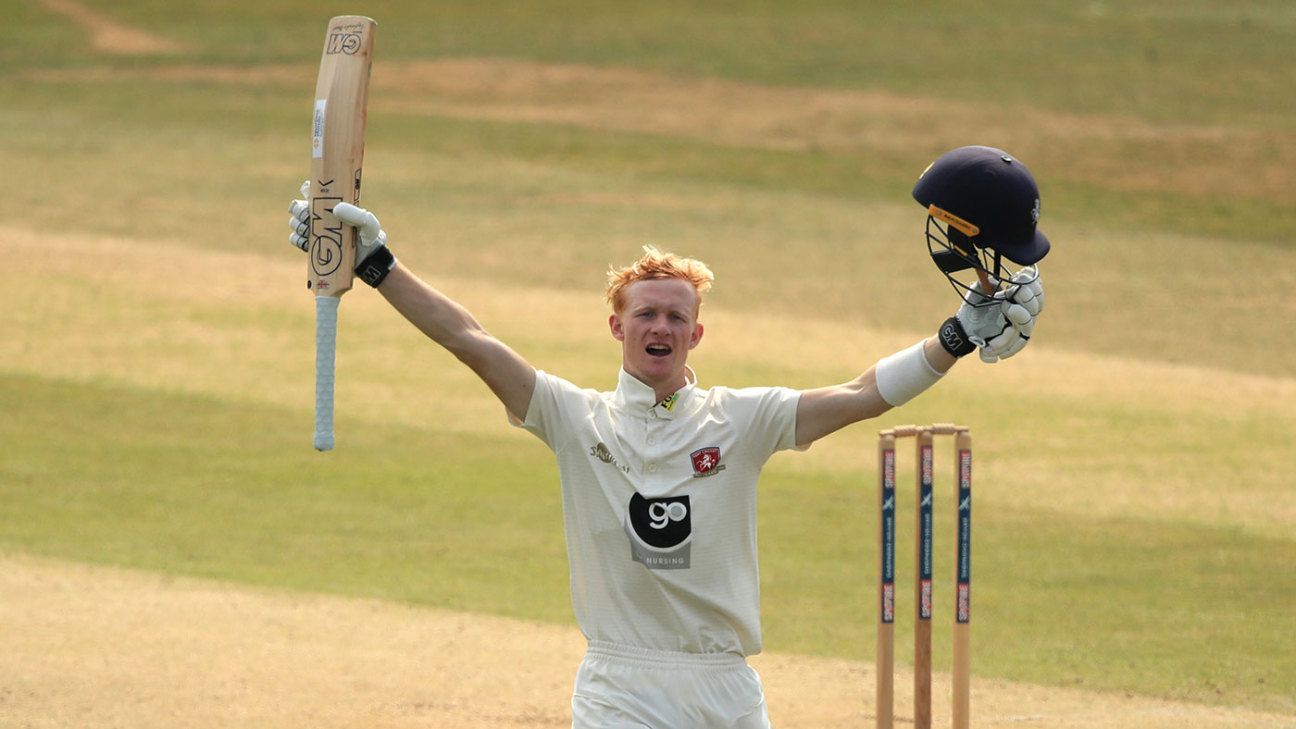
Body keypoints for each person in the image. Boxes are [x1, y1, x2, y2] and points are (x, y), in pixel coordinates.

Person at [286, 144, 1047, 728]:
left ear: (696, 333)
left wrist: (953, 337)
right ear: (617, 326)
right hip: (621, 684)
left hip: (723, 683)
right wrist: (378, 263)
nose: (660, 326)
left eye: (675, 316)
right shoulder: (572, 416)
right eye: (645, 314)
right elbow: (470, 338)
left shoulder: (741, 421)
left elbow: (859, 394)